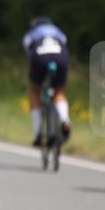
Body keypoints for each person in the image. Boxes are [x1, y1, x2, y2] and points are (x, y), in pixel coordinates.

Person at [23, 16, 70, 146]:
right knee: (59, 91)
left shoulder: (31, 34)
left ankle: (38, 133)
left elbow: (29, 52)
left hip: (40, 58)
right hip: (60, 56)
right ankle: (65, 121)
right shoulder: (58, 31)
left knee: (34, 91)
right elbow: (65, 43)